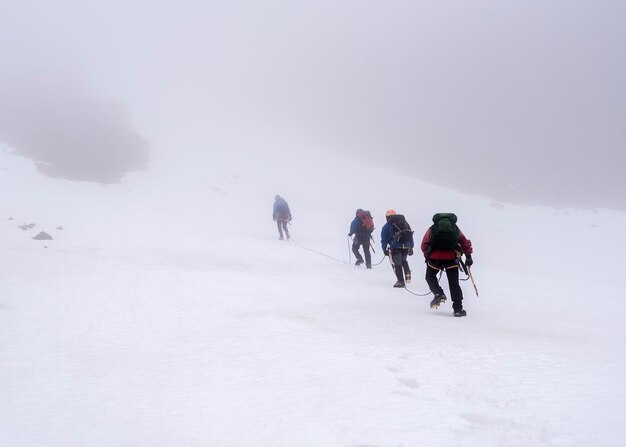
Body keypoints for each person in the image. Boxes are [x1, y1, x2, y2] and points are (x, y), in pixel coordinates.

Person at [420, 213, 473, 317]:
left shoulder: (432, 229)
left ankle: (439, 294)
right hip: (451, 259)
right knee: (454, 284)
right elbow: (464, 242)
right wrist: (468, 256)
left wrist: (427, 256)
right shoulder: (455, 229)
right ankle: (458, 309)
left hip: (435, 259)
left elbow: (424, 244)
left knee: (430, 277)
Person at [380, 209, 414, 288]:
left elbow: (384, 239)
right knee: (404, 261)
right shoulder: (405, 223)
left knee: (397, 264)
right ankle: (407, 273)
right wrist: (411, 247)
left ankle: (400, 282)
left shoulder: (386, 226)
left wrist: (384, 249)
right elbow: (410, 235)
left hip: (395, 247)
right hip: (405, 246)